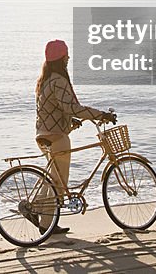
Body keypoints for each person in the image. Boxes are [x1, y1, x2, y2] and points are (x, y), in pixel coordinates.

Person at [34, 39, 115, 235]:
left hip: (42, 135)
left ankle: (34, 207)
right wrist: (100, 114)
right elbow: (72, 107)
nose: (68, 58)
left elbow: (54, 109)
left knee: (52, 179)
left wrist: (70, 122)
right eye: (66, 55)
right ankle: (46, 225)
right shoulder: (58, 80)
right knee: (59, 184)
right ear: (61, 59)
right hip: (57, 138)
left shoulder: (44, 80)